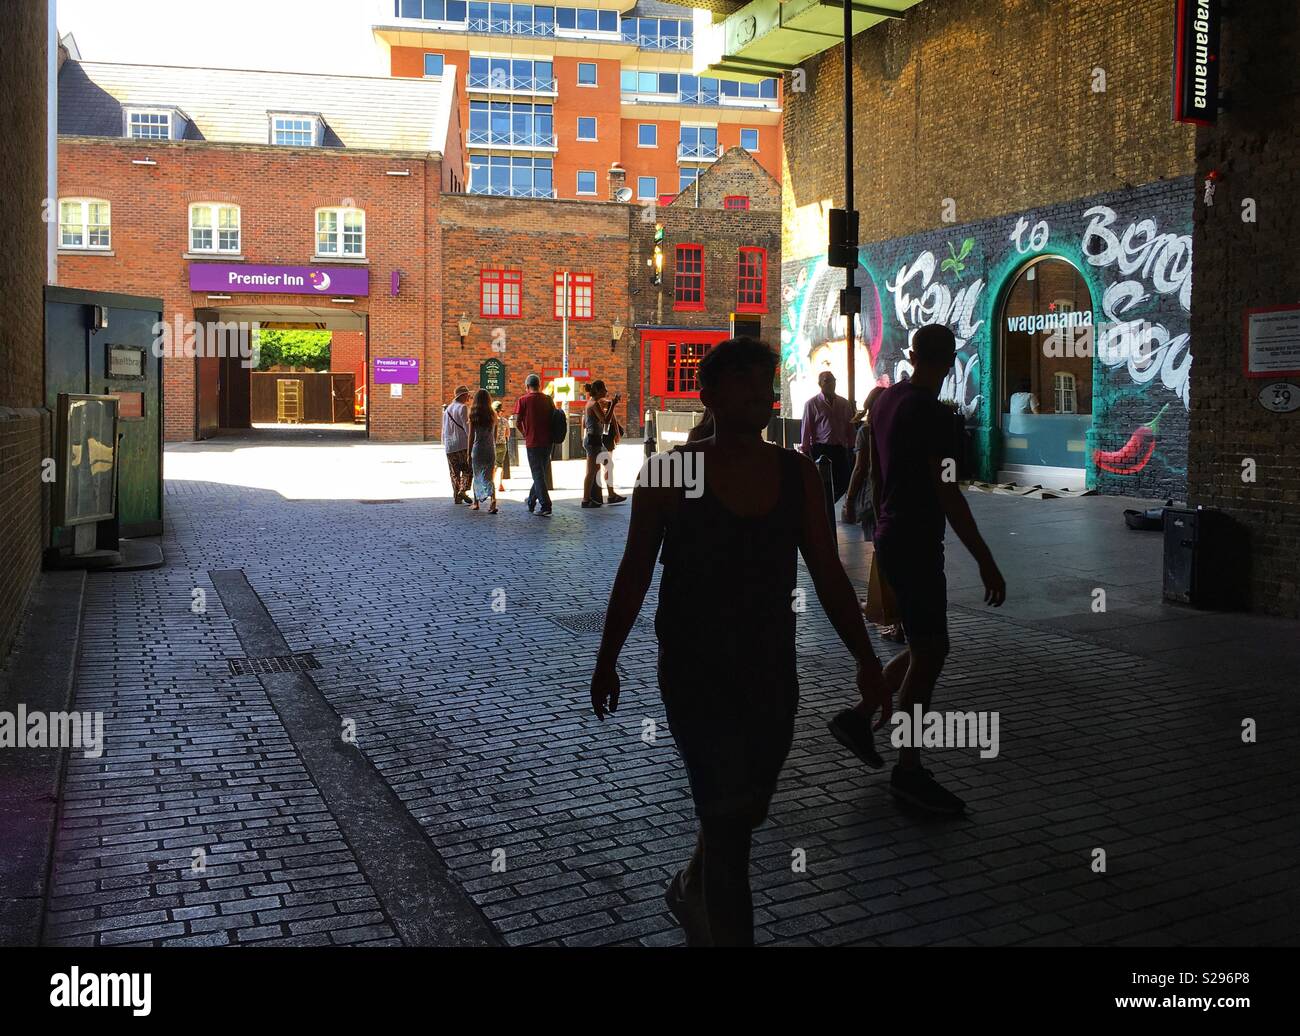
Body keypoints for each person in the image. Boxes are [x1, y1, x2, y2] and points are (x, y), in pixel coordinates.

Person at [589, 337, 889, 947]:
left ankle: (689, 885)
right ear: (710, 395)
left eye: (767, 380)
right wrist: (608, 655)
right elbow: (636, 569)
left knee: (743, 809)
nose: (761, 391)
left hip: (770, 671)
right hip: (696, 670)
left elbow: (829, 573)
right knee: (729, 826)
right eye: (746, 381)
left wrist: (865, 657)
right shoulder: (674, 471)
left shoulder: (798, 474)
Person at [828, 324, 1006, 816]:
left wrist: (879, 520)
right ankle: (908, 769)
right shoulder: (936, 417)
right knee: (931, 653)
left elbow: (879, 469)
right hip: (917, 542)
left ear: (911, 355)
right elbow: (947, 492)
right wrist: (986, 559)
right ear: (949, 361)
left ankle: (861, 718)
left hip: (890, 534)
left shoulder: (884, 403)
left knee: (923, 646)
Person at [840, 386, 905, 642]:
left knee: (885, 557)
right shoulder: (898, 430)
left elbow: (861, 470)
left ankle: (893, 616)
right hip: (897, 501)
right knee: (889, 557)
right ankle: (885, 607)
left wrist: (850, 500)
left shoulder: (867, 431)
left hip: (876, 501)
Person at [799, 370, 855, 502]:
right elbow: (807, 428)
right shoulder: (812, 404)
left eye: (833, 380)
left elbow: (850, 427)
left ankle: (831, 503)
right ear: (820, 384)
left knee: (844, 481)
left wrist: (852, 447)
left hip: (839, 449)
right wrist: (806, 451)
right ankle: (826, 507)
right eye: (827, 381)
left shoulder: (844, 403)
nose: (831, 384)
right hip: (821, 449)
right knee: (822, 483)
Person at [513, 373, 554, 516]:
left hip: (533, 442)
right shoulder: (548, 399)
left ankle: (545, 505)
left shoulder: (523, 400)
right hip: (548, 442)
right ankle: (531, 501)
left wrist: (525, 433)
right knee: (540, 474)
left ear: (527, 386)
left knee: (538, 474)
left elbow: (517, 421)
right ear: (539, 385)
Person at [581, 381, 614, 508]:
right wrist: (613, 405)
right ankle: (586, 499)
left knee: (604, 466)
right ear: (599, 391)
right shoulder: (594, 404)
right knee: (592, 471)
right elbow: (606, 420)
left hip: (594, 440)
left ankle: (609, 495)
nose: (606, 392)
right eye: (604, 389)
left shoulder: (591, 403)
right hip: (593, 440)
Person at [466, 389, 498, 514]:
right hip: (490, 448)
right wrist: (492, 445)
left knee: (477, 475)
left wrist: (469, 453)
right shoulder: (493, 414)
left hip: (477, 448)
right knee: (489, 477)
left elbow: (471, 436)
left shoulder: (473, 414)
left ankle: (476, 503)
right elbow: (494, 435)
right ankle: (493, 500)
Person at [441, 386, 472, 505]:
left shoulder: (448, 408)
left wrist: (445, 443)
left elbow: (444, 429)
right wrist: (472, 442)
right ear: (462, 396)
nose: (469, 397)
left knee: (454, 472)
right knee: (467, 469)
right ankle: (462, 490)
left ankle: (457, 497)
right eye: (467, 395)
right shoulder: (463, 407)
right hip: (462, 444)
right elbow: (467, 428)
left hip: (450, 446)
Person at [492, 400, 508, 492]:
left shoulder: (492, 421)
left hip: (494, 445)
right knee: (500, 465)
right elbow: (508, 433)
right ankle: (500, 485)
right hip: (503, 445)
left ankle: (492, 483)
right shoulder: (505, 420)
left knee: (493, 465)